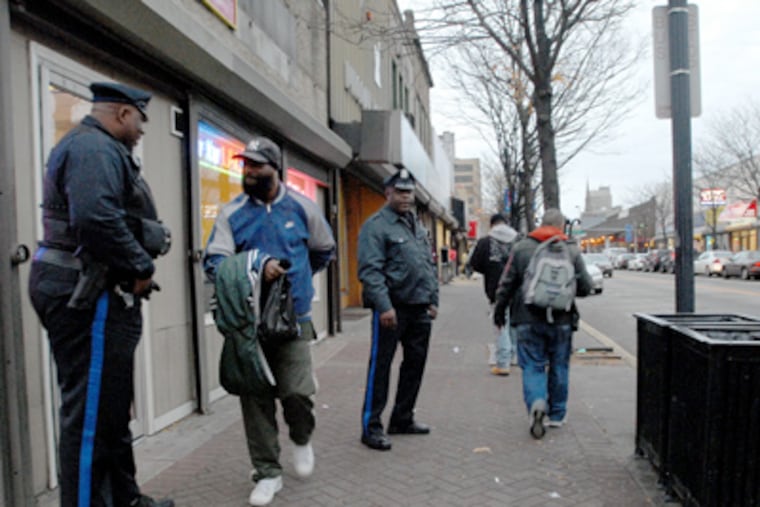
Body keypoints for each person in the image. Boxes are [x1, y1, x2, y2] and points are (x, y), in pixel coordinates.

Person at [28, 82, 173, 507]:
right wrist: (141, 266)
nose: (142, 130)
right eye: (140, 121)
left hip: (99, 291)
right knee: (90, 418)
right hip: (85, 292)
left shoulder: (100, 148)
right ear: (124, 114)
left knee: (110, 412)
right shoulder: (94, 148)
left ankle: (125, 499)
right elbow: (95, 218)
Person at [203, 136, 335, 506]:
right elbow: (215, 263)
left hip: (294, 319)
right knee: (255, 400)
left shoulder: (302, 208)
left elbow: (324, 251)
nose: (249, 171)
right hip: (249, 323)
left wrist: (300, 281)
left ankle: (301, 436)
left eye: (257, 165)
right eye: (245, 165)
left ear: (275, 169)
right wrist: (258, 267)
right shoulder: (232, 214)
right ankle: (267, 473)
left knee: (296, 391)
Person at [357, 168, 439, 451]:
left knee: (414, 366)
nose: (406, 197)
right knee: (380, 369)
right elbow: (370, 271)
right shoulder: (376, 226)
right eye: (400, 191)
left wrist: (433, 299)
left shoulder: (416, 224)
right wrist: (384, 306)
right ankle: (372, 427)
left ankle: (402, 418)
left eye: (409, 192)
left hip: (419, 309)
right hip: (392, 310)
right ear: (388, 193)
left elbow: (427, 264)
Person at [493, 208, 593, 440]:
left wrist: (499, 312)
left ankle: (537, 403)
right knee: (559, 365)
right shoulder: (571, 249)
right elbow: (586, 287)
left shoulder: (521, 248)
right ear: (561, 226)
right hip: (562, 320)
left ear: (540, 224)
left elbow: (506, 284)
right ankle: (557, 415)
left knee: (532, 365)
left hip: (527, 317)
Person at [468, 213, 519, 376]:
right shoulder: (519, 240)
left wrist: (490, 268)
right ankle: (512, 357)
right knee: (513, 324)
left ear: (492, 225)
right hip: (518, 288)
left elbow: (475, 264)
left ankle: (503, 363)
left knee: (500, 323)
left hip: (496, 288)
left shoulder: (485, 242)